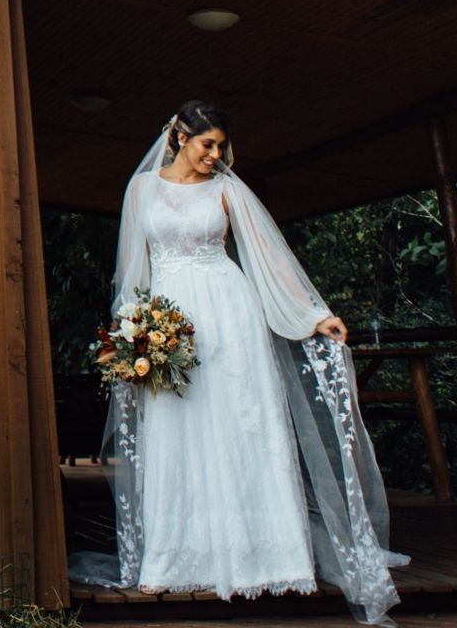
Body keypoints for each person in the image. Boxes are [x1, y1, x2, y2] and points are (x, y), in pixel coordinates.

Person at [72, 100, 408, 624]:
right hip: (167, 318)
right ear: (180, 136)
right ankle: (178, 558)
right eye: (208, 144)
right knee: (179, 429)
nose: (216, 154)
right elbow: (132, 266)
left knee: (244, 428)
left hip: (230, 318)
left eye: (221, 146)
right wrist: (130, 333)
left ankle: (271, 558)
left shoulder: (228, 189)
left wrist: (315, 316)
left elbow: (269, 258)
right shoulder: (141, 190)